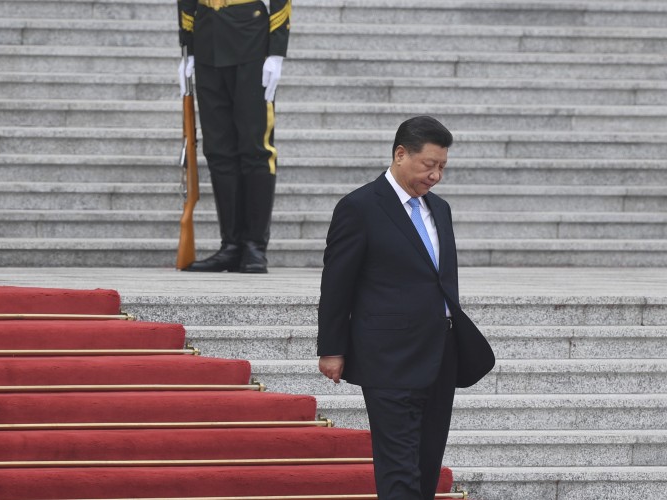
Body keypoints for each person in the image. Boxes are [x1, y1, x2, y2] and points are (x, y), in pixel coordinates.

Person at [316, 116, 496, 500]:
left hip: (440, 354)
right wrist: (332, 348)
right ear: (400, 154)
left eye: (442, 167)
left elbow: (442, 281)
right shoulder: (359, 207)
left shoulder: (440, 210)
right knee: (399, 465)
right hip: (389, 357)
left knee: (427, 463)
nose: (435, 176)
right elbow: (336, 284)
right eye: (429, 165)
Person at [176, 0, 290, 273]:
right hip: (207, 40)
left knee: (255, 147)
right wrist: (187, 48)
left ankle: (254, 246)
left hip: (251, 39)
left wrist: (276, 51)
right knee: (217, 149)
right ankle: (231, 245)